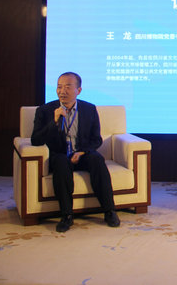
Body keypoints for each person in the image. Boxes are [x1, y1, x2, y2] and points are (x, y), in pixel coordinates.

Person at [31, 72, 120, 232]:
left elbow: (96, 139)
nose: (62, 91)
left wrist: (83, 152)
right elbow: (35, 140)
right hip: (59, 155)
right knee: (61, 163)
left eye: (67, 87)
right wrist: (54, 121)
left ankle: (109, 211)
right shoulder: (45, 110)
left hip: (81, 153)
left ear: (78, 90)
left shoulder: (89, 109)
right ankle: (66, 215)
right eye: (59, 87)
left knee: (97, 159)